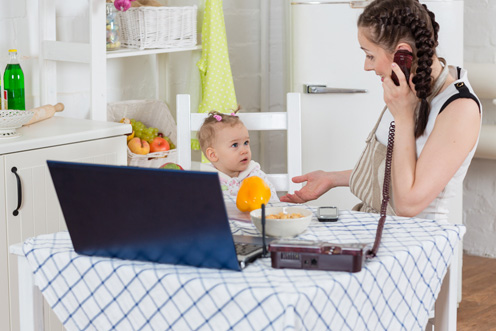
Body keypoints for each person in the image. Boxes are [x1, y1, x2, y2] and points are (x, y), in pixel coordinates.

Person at [281, 0, 481, 222]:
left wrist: (404, 117)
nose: (367, 66)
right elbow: (395, 172)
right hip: (377, 225)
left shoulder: (460, 108)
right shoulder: (408, 86)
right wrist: (332, 178)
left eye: (370, 55)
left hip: (414, 240)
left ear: (402, 55)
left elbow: (407, 204)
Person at [198, 111, 279, 202]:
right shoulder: (206, 180)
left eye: (246, 143)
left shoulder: (255, 175)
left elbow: (273, 203)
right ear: (213, 155)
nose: (244, 151)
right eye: (235, 145)